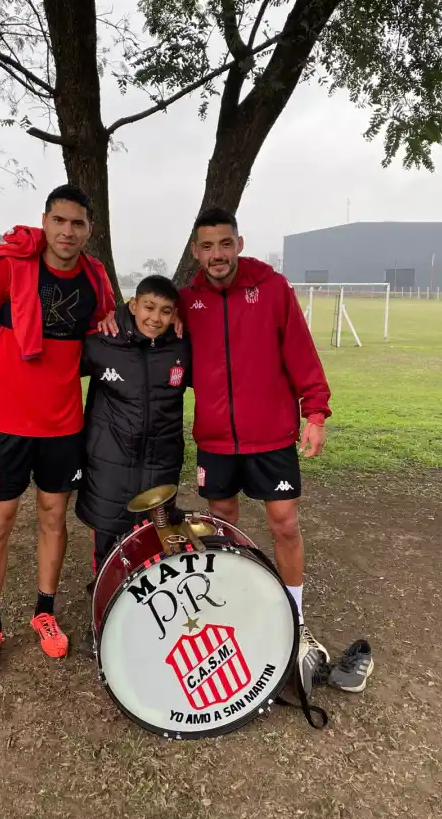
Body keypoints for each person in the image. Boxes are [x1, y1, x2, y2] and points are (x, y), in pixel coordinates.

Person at [0, 184, 114, 681]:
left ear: (88, 229)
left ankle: (45, 610)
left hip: (63, 426)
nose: (67, 231)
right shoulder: (9, 267)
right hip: (5, 425)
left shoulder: (95, 279)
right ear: (44, 220)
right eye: (58, 221)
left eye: (77, 223)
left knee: (53, 520)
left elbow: (102, 335)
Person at [178, 207, 332, 692]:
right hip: (216, 440)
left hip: (271, 439)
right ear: (196, 251)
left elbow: (301, 354)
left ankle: (296, 618)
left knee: (284, 524)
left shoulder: (272, 289)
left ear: (239, 243)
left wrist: (316, 413)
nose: (216, 255)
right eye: (207, 246)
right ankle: (236, 604)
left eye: (225, 244)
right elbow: (154, 335)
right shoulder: (188, 301)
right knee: (222, 525)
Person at [77, 275, 192, 572]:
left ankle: (142, 613)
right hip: (109, 466)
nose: (155, 318)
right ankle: (102, 613)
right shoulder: (103, 342)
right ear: (133, 305)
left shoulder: (182, 347)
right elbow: (55, 373)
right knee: (108, 551)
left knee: (152, 547)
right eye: (148, 307)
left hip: (161, 465)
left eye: (165, 311)